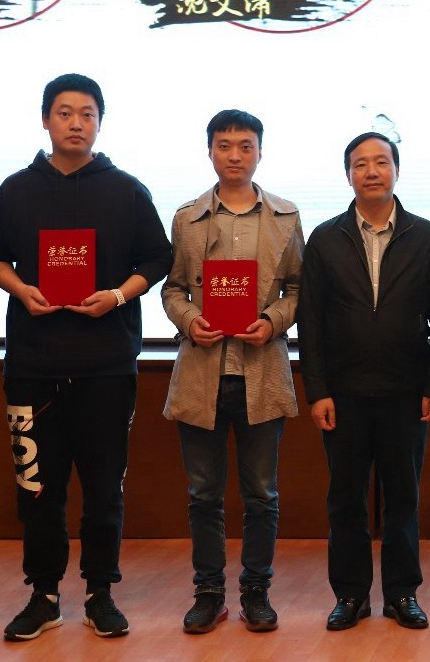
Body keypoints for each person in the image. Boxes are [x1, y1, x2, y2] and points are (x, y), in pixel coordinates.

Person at [0, 73, 172, 641]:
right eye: (64, 113)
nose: (76, 123)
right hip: (32, 365)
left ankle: (100, 592)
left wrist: (117, 296)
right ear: (46, 120)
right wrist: (22, 290)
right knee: (37, 486)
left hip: (106, 364)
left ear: (99, 123)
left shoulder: (126, 190)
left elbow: (155, 259)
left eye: (87, 114)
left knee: (104, 487)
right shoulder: (15, 190)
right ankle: (43, 595)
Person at [298, 132, 430, 632]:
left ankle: (402, 593)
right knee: (345, 499)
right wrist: (317, 390)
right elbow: (310, 322)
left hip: (406, 392)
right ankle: (350, 595)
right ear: (348, 175)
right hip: (343, 394)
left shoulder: (426, 236)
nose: (371, 171)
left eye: (381, 162)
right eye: (361, 163)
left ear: (396, 171)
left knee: (403, 498)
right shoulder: (325, 238)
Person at [161, 110, 304, 635]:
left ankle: (256, 592)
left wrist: (273, 321)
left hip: (260, 371)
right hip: (203, 371)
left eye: (245, 145)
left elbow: (298, 290)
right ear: (210, 152)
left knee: (262, 494)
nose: (235, 155)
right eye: (225, 145)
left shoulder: (286, 216)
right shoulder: (187, 218)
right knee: (203, 495)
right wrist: (188, 320)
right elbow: (173, 289)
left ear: (260, 152)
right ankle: (208, 593)